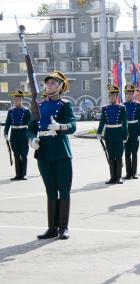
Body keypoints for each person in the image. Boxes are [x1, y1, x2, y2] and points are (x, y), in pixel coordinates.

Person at [27, 71, 76, 240]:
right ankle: (51, 227)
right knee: (50, 191)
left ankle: (63, 227)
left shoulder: (65, 105)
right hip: (44, 152)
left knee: (63, 191)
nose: (50, 85)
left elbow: (72, 125)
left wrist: (60, 127)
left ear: (61, 86)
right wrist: (32, 139)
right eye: (48, 83)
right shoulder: (39, 106)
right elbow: (31, 127)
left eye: (54, 83)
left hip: (61, 152)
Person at [96, 85, 128, 185]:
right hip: (109, 134)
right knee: (111, 156)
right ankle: (112, 177)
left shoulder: (121, 108)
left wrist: (125, 134)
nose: (111, 98)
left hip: (118, 133)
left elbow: (125, 122)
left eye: (113, 96)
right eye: (110, 96)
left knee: (118, 156)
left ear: (117, 96)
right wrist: (99, 132)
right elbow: (102, 122)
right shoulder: (105, 108)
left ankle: (118, 177)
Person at [3, 90, 31, 180]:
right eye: (15, 99)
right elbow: (7, 123)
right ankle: (18, 175)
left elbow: (30, 124)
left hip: (23, 133)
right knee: (16, 154)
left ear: (21, 100)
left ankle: (24, 174)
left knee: (23, 154)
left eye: (18, 99)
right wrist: (6, 133)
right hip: (14, 134)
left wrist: (31, 136)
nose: (16, 101)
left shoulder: (26, 111)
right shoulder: (11, 111)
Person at [123, 83, 140, 179]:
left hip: (135, 129)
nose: (128, 95)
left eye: (130, 94)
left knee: (134, 153)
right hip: (126, 130)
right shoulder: (122, 106)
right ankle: (128, 173)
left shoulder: (137, 105)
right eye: (127, 94)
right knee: (127, 153)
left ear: (133, 94)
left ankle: (134, 173)